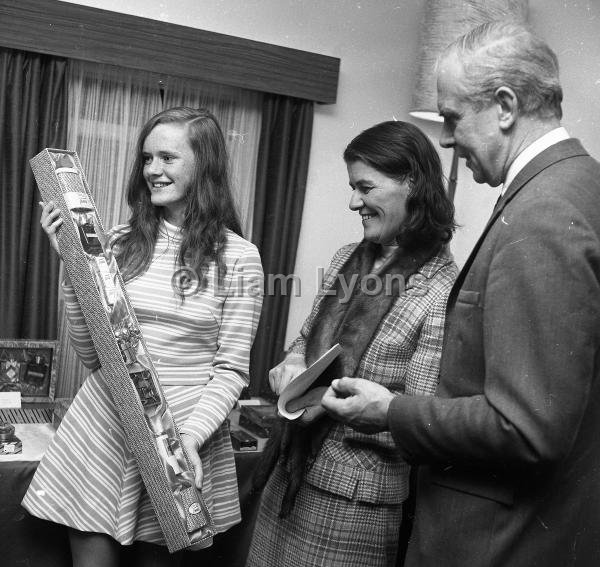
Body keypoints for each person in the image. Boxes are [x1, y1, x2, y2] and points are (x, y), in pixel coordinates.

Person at [322, 20, 600, 567]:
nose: (446, 139)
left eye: (451, 117)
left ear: (504, 105)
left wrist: (392, 411)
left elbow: (526, 427)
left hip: (496, 540)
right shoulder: (577, 186)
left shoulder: (544, 213)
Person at [23, 107, 264, 566]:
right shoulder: (115, 241)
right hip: (104, 429)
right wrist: (72, 267)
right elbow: (95, 356)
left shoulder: (239, 258)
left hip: (179, 438)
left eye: (168, 158)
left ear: (204, 165)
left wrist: (186, 440)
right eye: (147, 158)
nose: (152, 170)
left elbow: (231, 370)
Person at [246, 120, 457, 567]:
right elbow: (303, 344)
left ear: (413, 184)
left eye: (366, 187)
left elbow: (422, 419)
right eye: (351, 186)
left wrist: (361, 410)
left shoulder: (441, 290)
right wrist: (290, 365)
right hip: (288, 476)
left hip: (354, 503)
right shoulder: (348, 257)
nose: (353, 201)